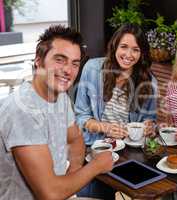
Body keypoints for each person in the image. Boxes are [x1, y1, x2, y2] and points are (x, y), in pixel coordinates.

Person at [0, 25, 113, 200]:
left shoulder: (60, 98)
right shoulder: (22, 109)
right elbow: (50, 194)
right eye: (60, 60)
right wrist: (96, 166)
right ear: (38, 60)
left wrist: (70, 185)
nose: (68, 70)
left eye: (75, 63)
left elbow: (75, 140)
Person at [74, 23, 157, 199]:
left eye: (135, 49)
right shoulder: (92, 69)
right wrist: (105, 127)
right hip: (94, 148)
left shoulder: (149, 82)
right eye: (124, 47)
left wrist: (150, 127)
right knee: (89, 192)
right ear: (114, 46)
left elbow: (151, 121)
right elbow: (80, 116)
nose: (128, 55)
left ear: (141, 53)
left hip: (129, 152)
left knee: (146, 190)